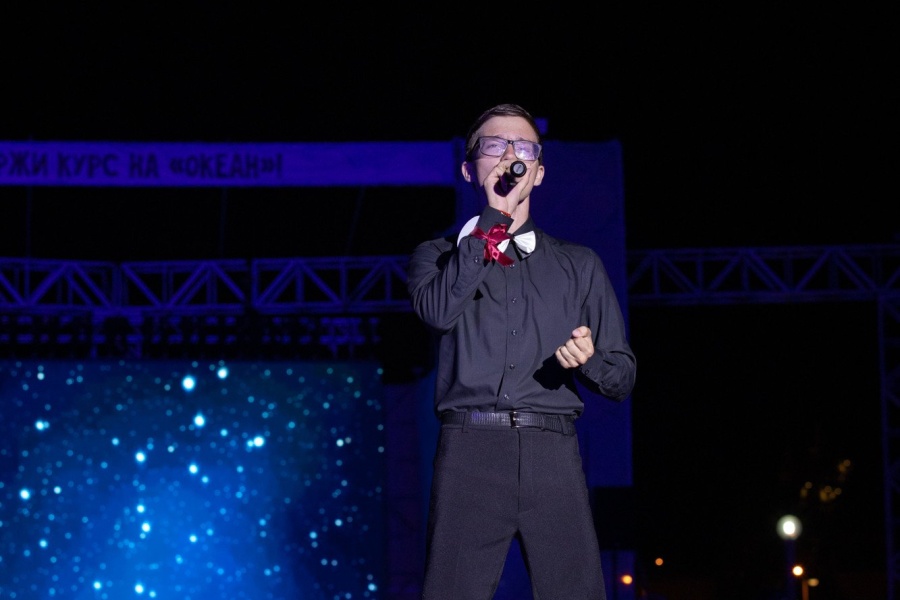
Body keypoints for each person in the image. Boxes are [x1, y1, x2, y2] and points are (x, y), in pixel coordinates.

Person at [406, 103, 637, 600]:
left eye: (524, 148)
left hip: (551, 452)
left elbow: (622, 376)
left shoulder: (579, 265)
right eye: (494, 146)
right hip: (470, 450)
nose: (510, 155)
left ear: (540, 171)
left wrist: (588, 361)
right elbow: (438, 313)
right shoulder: (437, 256)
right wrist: (494, 219)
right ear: (469, 169)